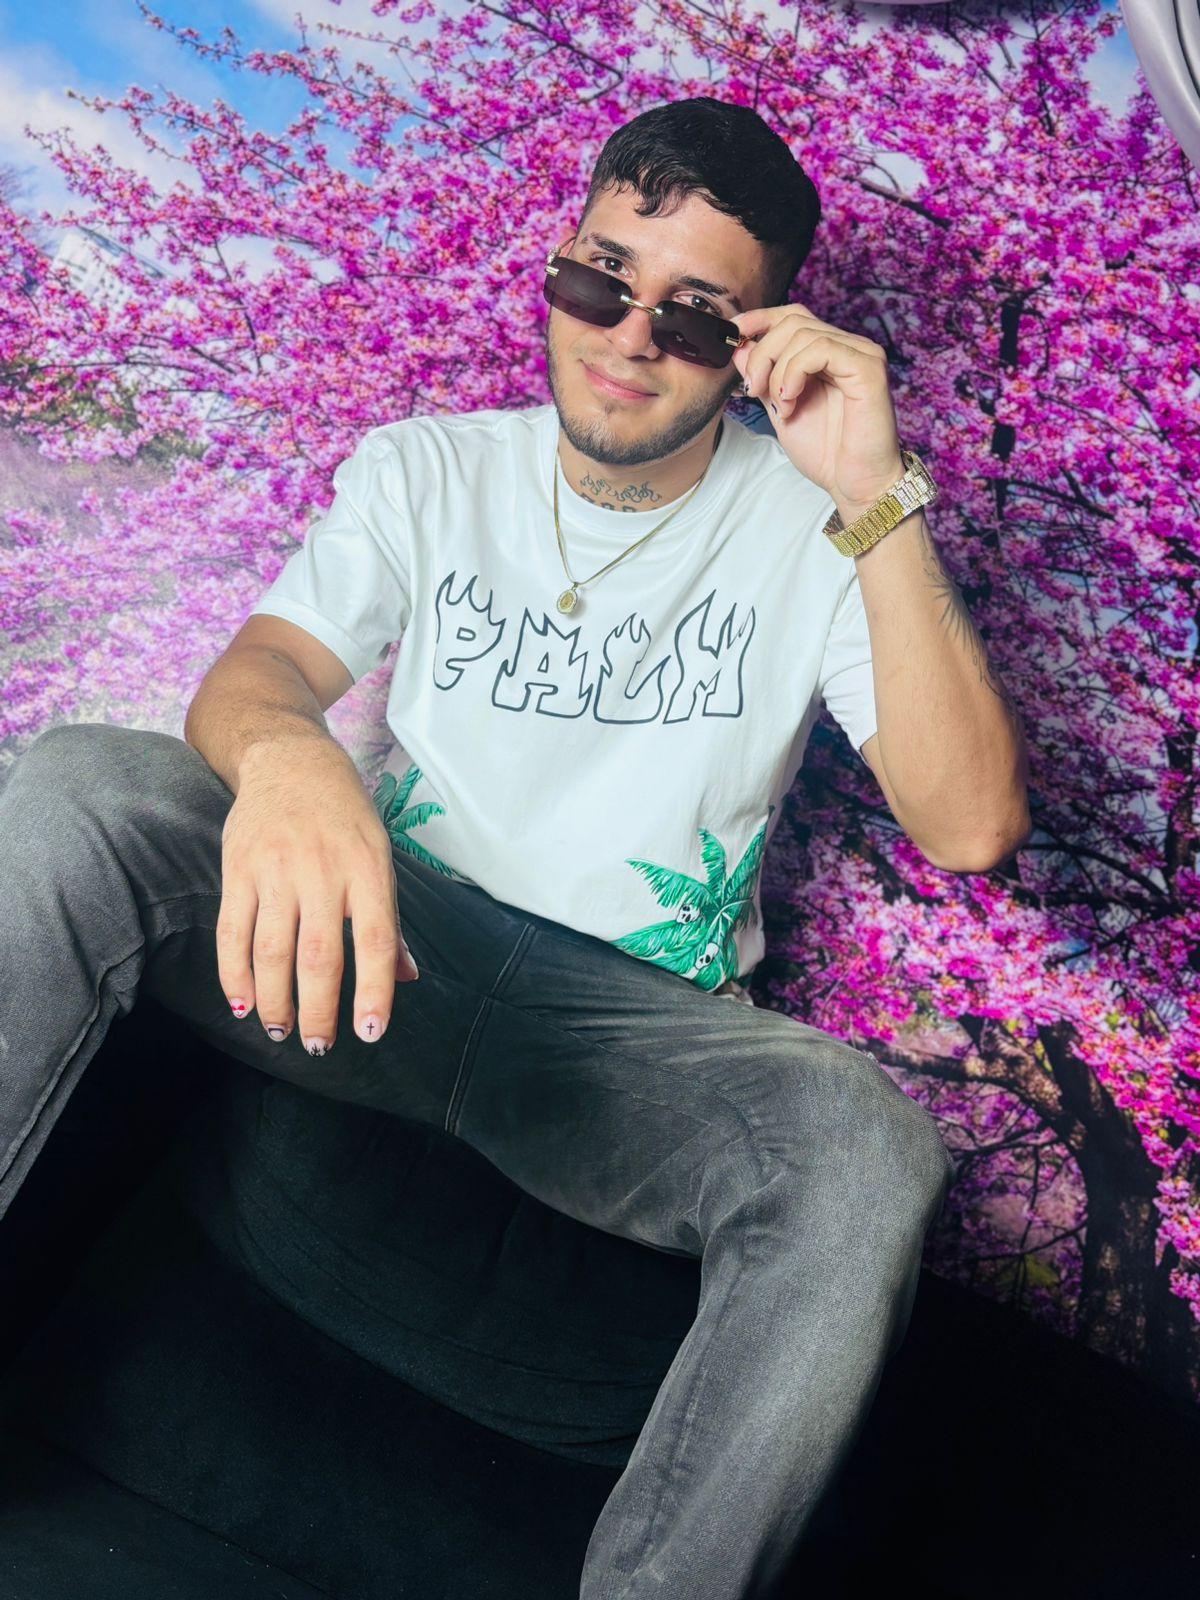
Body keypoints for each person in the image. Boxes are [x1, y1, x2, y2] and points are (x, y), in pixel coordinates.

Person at [1, 97, 960, 1600]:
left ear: (758, 344)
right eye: (601, 280)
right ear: (558, 262)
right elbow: (259, 674)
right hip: (394, 951)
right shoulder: (429, 469)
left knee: (866, 1151)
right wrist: (293, 762)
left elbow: (969, 824)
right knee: (80, 783)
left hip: (636, 1043)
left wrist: (876, 495)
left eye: (693, 318)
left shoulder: (819, 528)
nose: (627, 340)